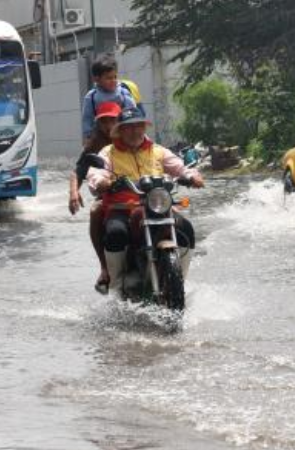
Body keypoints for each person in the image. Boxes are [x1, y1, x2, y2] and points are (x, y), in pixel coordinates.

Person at [86, 107, 204, 292]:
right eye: (128, 127)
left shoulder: (158, 151)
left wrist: (191, 176)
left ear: (144, 127)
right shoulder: (108, 153)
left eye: (138, 126)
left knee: (186, 228)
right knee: (115, 233)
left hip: (157, 205)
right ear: (120, 130)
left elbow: (179, 167)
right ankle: (116, 282)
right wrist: (102, 181)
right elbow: (96, 173)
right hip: (121, 208)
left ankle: (179, 281)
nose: (134, 131)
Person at [67, 101, 121, 292]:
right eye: (104, 121)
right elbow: (79, 171)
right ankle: (104, 268)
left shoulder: (134, 134)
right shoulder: (95, 144)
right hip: (109, 191)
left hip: (137, 191)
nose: (109, 125)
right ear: (98, 123)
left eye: (112, 120)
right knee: (95, 210)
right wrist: (74, 192)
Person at [80, 54, 136, 142]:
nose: (113, 81)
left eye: (115, 77)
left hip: (120, 133)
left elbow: (131, 111)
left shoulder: (123, 92)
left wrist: (131, 129)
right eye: (109, 78)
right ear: (96, 79)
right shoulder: (92, 96)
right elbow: (87, 118)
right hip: (100, 135)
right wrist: (88, 136)